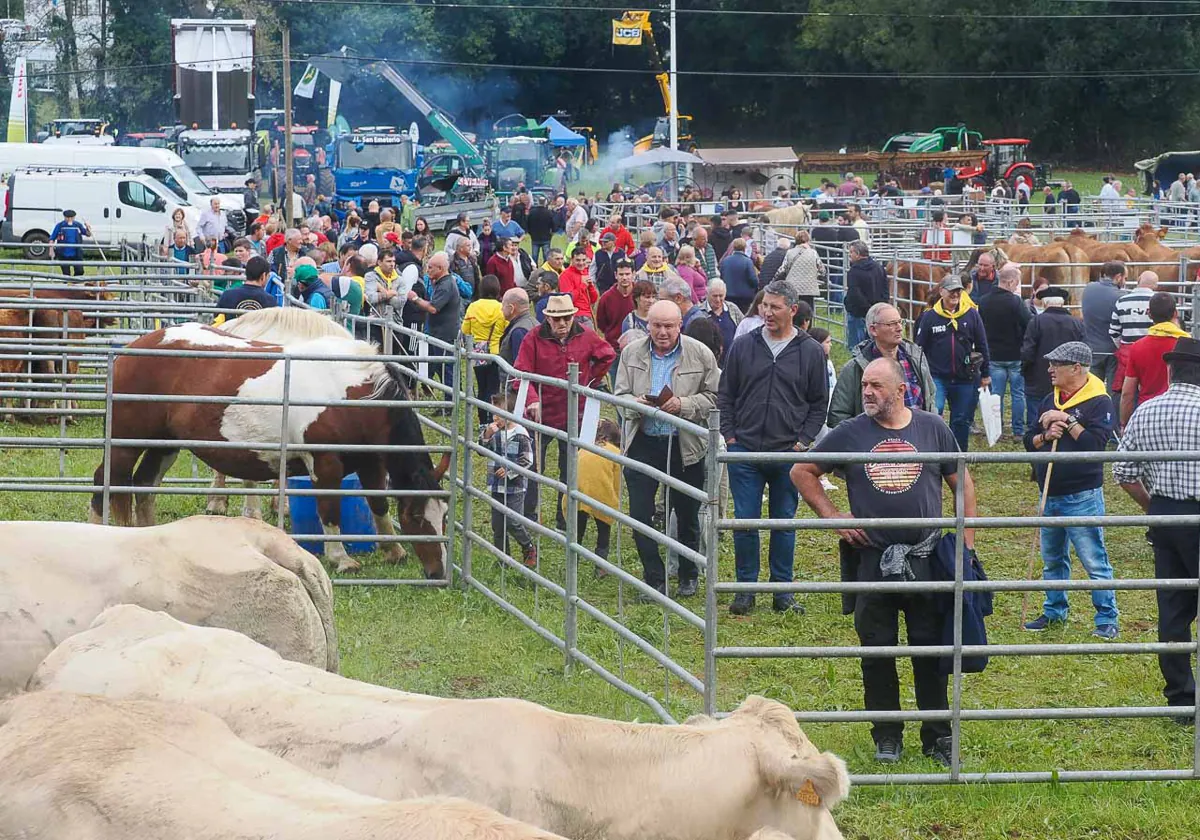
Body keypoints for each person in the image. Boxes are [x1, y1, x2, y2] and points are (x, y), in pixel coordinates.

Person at [792, 356, 976, 767]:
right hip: (872, 559)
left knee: (930, 651)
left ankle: (937, 735)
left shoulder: (932, 427)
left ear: (900, 390)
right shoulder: (850, 432)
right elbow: (802, 471)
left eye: (876, 386)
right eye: (864, 387)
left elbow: (960, 479)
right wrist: (833, 515)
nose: (868, 393)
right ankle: (887, 735)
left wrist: (965, 543)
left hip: (925, 557)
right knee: (877, 651)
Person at [719, 280, 828, 616]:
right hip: (746, 451)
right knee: (745, 522)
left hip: (787, 454)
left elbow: (818, 401)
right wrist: (731, 436)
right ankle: (746, 590)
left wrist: (802, 442)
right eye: (765, 305)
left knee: (784, 522)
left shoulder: (809, 351)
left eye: (775, 307)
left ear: (793, 310)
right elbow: (727, 393)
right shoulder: (744, 346)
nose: (767, 312)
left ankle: (782, 591)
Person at [1113, 337, 1200, 721]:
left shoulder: (1147, 410)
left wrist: (1155, 507)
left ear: (1170, 370)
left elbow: (1124, 472)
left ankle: (1182, 700)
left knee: (1173, 611)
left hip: (1165, 514)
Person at [615, 300, 720, 599]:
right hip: (643, 440)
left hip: (685, 444)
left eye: (669, 326)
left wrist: (683, 405)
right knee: (639, 514)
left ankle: (688, 573)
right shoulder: (631, 353)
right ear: (647, 325)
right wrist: (634, 404)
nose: (662, 332)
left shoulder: (700, 354)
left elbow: (715, 395)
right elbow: (619, 392)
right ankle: (654, 577)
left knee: (687, 513)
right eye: (657, 325)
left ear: (679, 326)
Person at [1023, 341, 1119, 640]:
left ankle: (1107, 618)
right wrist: (1045, 435)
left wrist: (1067, 419)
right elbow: (1029, 441)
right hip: (1049, 492)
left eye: (1056, 364)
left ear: (1076, 368)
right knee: (1052, 558)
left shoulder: (1099, 401)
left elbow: (1093, 446)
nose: (1050, 369)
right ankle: (1054, 611)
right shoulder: (1047, 399)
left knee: (1093, 560)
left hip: (1083, 496)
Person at [514, 294, 616, 529]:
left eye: (567, 318)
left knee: (570, 467)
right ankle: (528, 516)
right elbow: (521, 373)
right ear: (547, 318)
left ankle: (566, 518)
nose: (562, 324)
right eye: (557, 319)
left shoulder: (585, 335)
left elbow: (607, 354)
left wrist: (590, 380)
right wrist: (532, 400)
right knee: (531, 463)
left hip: (573, 412)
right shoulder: (533, 338)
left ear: (573, 317)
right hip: (540, 413)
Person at [915, 275, 991, 451]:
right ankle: (933, 452)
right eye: (951, 291)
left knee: (961, 419)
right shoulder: (930, 317)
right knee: (935, 411)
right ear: (942, 292)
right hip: (937, 376)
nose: (955, 295)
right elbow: (919, 348)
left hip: (965, 377)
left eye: (958, 291)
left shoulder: (971, 314)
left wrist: (985, 373)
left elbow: (982, 344)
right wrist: (919, 374)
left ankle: (958, 455)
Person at [829, 302, 936, 427]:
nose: (899, 328)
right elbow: (838, 415)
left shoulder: (917, 359)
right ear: (873, 330)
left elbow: (930, 399)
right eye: (892, 324)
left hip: (917, 439)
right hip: (875, 443)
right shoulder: (855, 368)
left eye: (900, 322)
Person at [481, 391, 537, 568]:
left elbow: (527, 459)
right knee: (498, 526)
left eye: (499, 414)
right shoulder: (495, 432)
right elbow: (481, 449)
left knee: (513, 520)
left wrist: (510, 469)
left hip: (515, 487)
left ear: (511, 414)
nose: (495, 418)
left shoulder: (520, 433)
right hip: (496, 486)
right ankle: (503, 559)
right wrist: (487, 434)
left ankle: (528, 547)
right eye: (493, 413)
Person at [1021, 285, 1085, 434]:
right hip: (1069, 383)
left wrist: (1026, 373)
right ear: (1062, 303)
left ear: (1044, 303)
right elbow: (1084, 353)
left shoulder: (1036, 322)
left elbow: (1027, 352)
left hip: (1038, 381)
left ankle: (1038, 449)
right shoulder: (1076, 324)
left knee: (1036, 423)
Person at [1119, 291, 1188, 428]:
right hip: (1182, 414)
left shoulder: (1138, 347)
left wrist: (1124, 424)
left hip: (1147, 414)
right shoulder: (1187, 344)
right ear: (1175, 313)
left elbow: (1127, 393)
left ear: (1149, 313)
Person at [978, 264, 1032, 437]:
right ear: (1010, 282)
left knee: (996, 395)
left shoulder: (984, 301)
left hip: (993, 354)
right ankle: (1018, 430)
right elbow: (1029, 323)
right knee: (1018, 394)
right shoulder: (1015, 302)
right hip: (1015, 354)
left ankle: (997, 430)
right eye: (1016, 283)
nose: (1016, 287)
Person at [408, 252, 462, 388]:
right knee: (438, 366)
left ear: (440, 269)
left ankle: (450, 404)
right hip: (437, 333)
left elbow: (433, 308)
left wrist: (415, 298)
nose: (428, 270)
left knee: (446, 370)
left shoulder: (446, 285)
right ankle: (446, 404)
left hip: (445, 335)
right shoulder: (440, 282)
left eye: (431, 267)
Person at [462, 275, 508, 425]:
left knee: (481, 387)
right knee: (493, 387)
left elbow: (465, 329)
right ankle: (492, 418)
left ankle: (482, 419)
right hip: (495, 351)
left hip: (478, 352)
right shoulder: (500, 307)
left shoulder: (473, 307)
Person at [1109, 270, 1158, 395]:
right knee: (1149, 390)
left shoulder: (1122, 301)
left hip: (1128, 354)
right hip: (1152, 352)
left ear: (1138, 281)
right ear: (1155, 285)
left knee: (1127, 392)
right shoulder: (1158, 302)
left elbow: (1114, 331)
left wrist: (1123, 346)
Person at [1081, 261, 1127, 391]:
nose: (1124, 282)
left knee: (1092, 389)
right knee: (1113, 388)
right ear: (1118, 277)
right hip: (1112, 349)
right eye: (1125, 278)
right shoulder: (1121, 297)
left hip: (1092, 348)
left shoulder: (1089, 289)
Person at [844, 241, 890, 349]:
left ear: (858, 254)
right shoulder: (879, 267)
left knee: (856, 344)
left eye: (851, 252)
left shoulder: (854, 271)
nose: (849, 254)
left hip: (858, 312)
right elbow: (885, 288)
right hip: (876, 311)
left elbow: (854, 293)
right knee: (872, 342)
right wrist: (880, 305)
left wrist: (866, 307)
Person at [594, 258, 637, 360]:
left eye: (627, 274)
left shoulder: (640, 295)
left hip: (637, 348)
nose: (624, 278)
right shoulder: (606, 298)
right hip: (614, 349)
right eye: (621, 274)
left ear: (633, 274)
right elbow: (601, 324)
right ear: (615, 275)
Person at [214, 255, 277, 322]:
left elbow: (216, 319)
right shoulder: (270, 301)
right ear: (264, 276)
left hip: (229, 331)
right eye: (268, 276)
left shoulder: (227, 295)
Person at [774, 231, 823, 310]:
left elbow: (782, 269)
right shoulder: (813, 253)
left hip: (793, 287)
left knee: (793, 310)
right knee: (808, 311)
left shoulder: (790, 252)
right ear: (808, 240)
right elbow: (822, 270)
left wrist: (773, 280)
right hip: (809, 288)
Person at [700, 279, 743, 366]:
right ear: (707, 294)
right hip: (712, 363)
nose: (718, 299)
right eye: (714, 296)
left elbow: (743, 327)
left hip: (734, 360)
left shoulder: (732, 308)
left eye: (721, 296)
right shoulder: (700, 312)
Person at [557, 247, 600, 325]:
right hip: (574, 316)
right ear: (572, 260)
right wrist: (582, 285)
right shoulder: (565, 275)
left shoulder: (585, 272)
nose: (581, 263)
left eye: (583, 260)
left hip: (587, 314)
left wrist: (590, 287)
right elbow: (568, 299)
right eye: (578, 260)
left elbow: (593, 300)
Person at [718, 238, 759, 315]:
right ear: (745, 248)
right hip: (744, 297)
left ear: (733, 247)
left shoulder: (726, 260)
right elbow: (753, 279)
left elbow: (721, 277)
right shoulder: (747, 261)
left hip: (728, 295)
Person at [498, 288, 535, 368]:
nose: (501, 309)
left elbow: (519, 366)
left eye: (503, 305)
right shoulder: (535, 323)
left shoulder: (519, 331)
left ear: (511, 308)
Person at [49, 209, 92, 277]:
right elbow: (52, 238)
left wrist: (88, 228)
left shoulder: (77, 225)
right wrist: (51, 250)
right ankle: (67, 285)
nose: (69, 219)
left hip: (76, 253)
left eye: (71, 218)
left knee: (80, 271)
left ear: (74, 217)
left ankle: (74, 284)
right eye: (67, 217)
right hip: (63, 253)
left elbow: (88, 234)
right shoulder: (60, 226)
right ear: (64, 217)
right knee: (66, 274)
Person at [620, 279, 657, 349]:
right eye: (647, 297)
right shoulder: (630, 321)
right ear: (636, 298)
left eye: (653, 297)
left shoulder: (658, 317)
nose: (651, 301)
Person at [527, 197, 556, 265]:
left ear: (538, 202)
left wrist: (530, 233)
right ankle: (545, 267)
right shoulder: (549, 213)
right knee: (546, 255)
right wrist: (552, 233)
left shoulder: (532, 212)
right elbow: (553, 224)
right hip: (546, 237)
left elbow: (527, 223)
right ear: (545, 202)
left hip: (534, 237)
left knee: (534, 255)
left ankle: (534, 267)